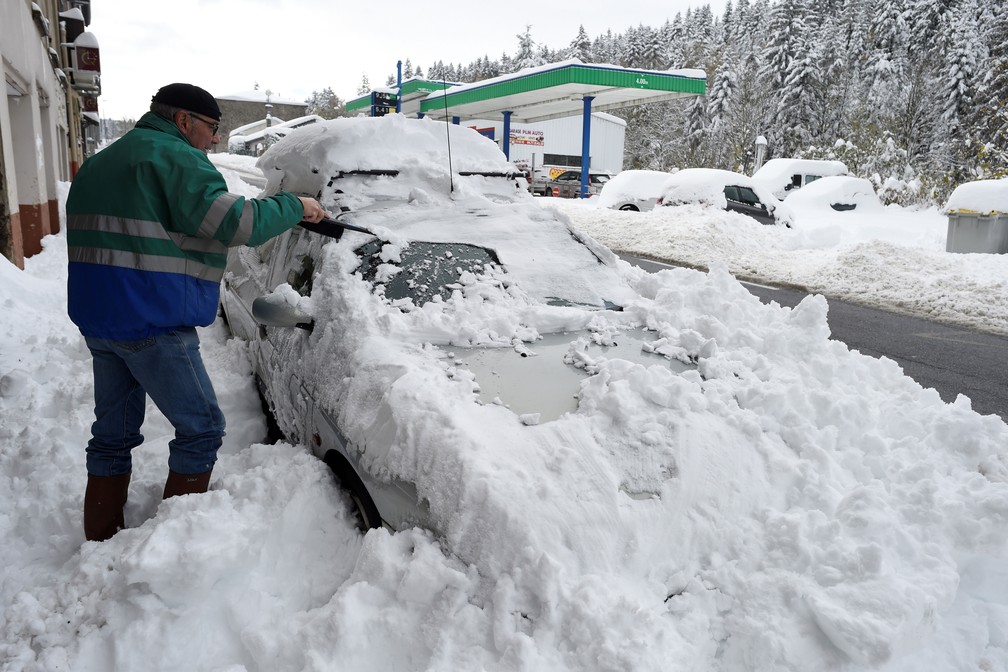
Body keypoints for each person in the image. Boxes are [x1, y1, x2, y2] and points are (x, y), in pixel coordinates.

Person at [66, 83, 327, 542]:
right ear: (184, 120)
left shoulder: (102, 162)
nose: (214, 139)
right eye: (211, 127)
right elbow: (234, 223)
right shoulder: (176, 158)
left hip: (100, 319)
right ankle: (174, 547)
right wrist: (295, 205)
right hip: (152, 320)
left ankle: (101, 538)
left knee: (112, 435)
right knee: (203, 428)